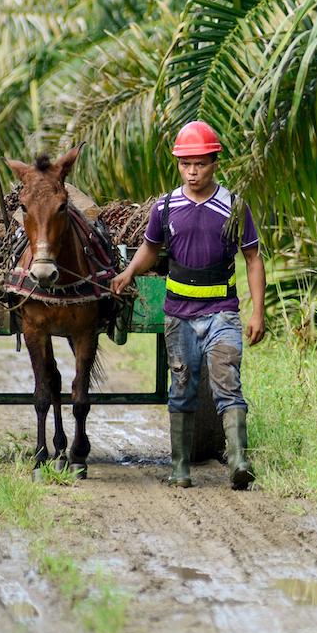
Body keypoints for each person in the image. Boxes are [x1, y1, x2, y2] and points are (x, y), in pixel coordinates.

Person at [110, 121, 266, 490]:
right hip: (178, 315)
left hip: (222, 312)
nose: (193, 171)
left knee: (227, 382)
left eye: (200, 163)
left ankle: (239, 461)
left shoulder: (234, 206)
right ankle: (180, 467)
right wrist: (129, 272)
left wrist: (258, 311)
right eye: (185, 164)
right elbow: (150, 248)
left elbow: (253, 258)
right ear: (178, 165)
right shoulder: (166, 207)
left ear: (215, 163)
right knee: (181, 386)